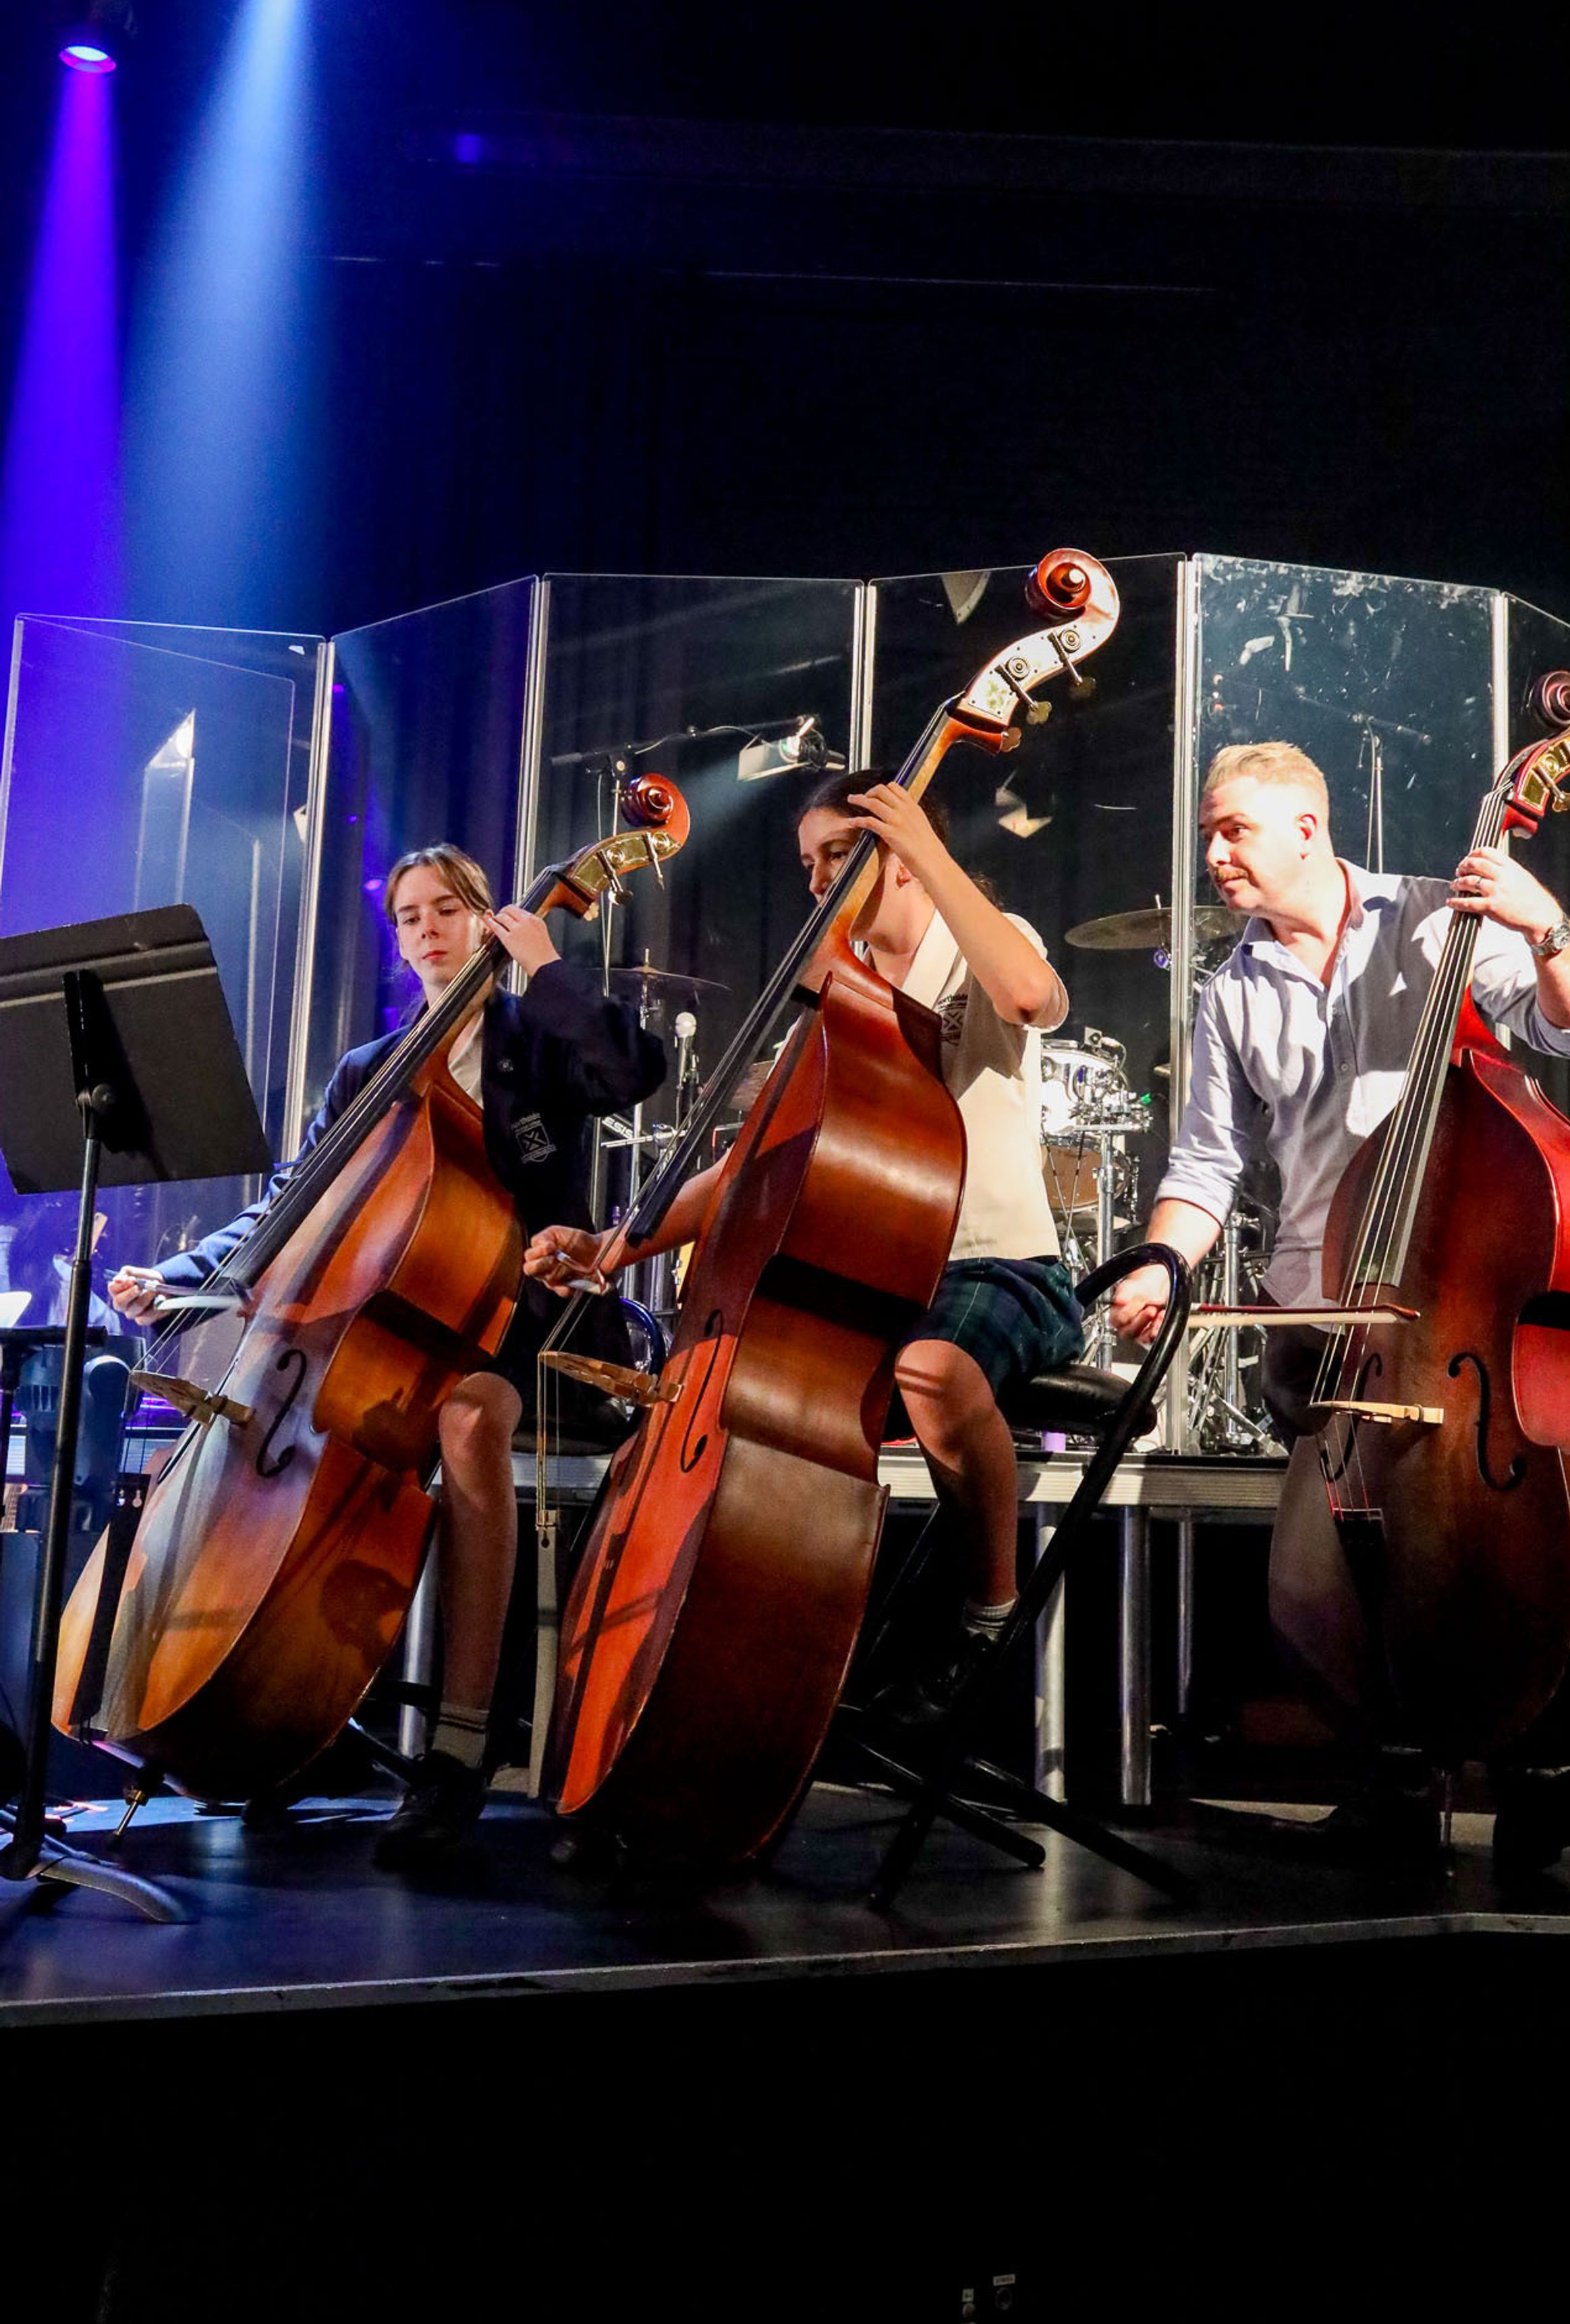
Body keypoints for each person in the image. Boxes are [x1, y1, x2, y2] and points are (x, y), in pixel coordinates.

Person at [1107, 740, 1570, 1869]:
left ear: (1308, 828)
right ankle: (1392, 1767)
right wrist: (1160, 1264)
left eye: (1233, 829)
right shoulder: (1232, 990)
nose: (1214, 854)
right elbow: (1204, 1168)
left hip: (1456, 1300)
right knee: (1350, 1557)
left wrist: (1545, 927)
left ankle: (1544, 1745)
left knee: (1482, 1536)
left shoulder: (1441, 919)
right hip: (1320, 1312)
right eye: (1209, 832)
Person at [111, 844, 665, 1862]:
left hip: (531, 1316)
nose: (426, 930)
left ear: (485, 917)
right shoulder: (370, 1071)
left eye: (446, 908)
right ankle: (298, 1705)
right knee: (310, 1418)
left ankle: (460, 1745)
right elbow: (296, 1199)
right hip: (400, 1324)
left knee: (467, 1417)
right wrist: (183, 1275)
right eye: (409, 916)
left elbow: (633, 1072)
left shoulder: (536, 1041)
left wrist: (546, 967)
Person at [525, 769, 1084, 1726]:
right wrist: (617, 1246)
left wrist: (925, 847)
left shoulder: (985, 943)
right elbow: (751, 1160)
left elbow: (1033, 995)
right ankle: (776, 1643)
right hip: (874, 1278)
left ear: (899, 857)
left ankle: (989, 1615)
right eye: (809, 862)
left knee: (934, 1368)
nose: (819, 880)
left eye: (840, 854)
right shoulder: (844, 1001)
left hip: (996, 1265)